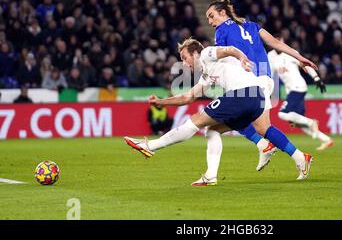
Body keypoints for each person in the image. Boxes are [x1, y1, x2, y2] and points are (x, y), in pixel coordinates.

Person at [123, 38, 313, 185]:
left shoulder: (206, 53)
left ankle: (150, 146)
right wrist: (161, 102)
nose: (184, 63)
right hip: (254, 98)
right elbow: (188, 97)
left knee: (197, 119)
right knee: (213, 130)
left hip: (244, 94)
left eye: (184, 58)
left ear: (195, 53)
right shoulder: (206, 76)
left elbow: (229, 50)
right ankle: (212, 176)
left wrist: (241, 57)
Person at [206, 0, 318, 172]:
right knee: (259, 126)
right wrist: (299, 57)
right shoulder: (252, 26)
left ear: (223, 13)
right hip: (265, 78)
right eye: (207, 18)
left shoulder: (222, 30)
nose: (210, 22)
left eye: (212, 16)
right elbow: (276, 43)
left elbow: (222, 55)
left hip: (251, 81)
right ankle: (297, 157)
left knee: (241, 121)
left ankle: (269, 148)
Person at [267, 49, 333, 150]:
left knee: (282, 114)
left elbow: (305, 63)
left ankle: (311, 122)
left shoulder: (290, 52)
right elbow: (270, 75)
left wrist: (316, 78)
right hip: (291, 90)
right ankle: (326, 139)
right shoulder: (271, 56)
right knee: (298, 122)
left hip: (298, 87)